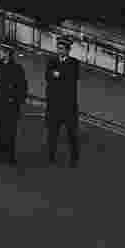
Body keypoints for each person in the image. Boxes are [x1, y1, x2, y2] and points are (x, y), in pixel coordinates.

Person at [45, 35, 80, 166]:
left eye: (62, 49)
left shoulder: (74, 63)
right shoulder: (52, 61)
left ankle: (74, 158)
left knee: (72, 133)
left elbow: (71, 78)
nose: (59, 51)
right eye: (58, 48)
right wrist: (58, 75)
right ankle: (51, 156)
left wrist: (58, 74)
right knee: (52, 133)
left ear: (68, 50)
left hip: (68, 105)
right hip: (54, 104)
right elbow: (48, 76)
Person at [0, 41, 28, 165]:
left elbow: (22, 88)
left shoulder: (17, 68)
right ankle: (2, 155)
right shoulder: (0, 65)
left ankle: (10, 156)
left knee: (10, 131)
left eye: (1, 51)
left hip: (11, 106)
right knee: (0, 131)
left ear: (7, 53)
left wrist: (15, 100)